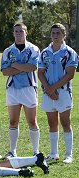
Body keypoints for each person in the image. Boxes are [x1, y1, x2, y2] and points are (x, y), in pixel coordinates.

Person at [38, 23, 78, 164]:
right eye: (53, 33)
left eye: (58, 33)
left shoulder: (69, 52)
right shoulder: (44, 52)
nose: (55, 36)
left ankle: (69, 154)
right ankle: (54, 153)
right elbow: (40, 72)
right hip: (48, 94)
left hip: (63, 93)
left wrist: (52, 88)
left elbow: (70, 74)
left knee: (66, 122)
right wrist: (49, 90)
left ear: (64, 35)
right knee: (52, 123)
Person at [1, 23, 40, 158]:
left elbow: (33, 67)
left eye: (21, 31)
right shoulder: (8, 51)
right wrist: (23, 67)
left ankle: (36, 151)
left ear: (26, 33)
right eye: (16, 31)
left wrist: (15, 65)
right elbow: (5, 72)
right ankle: (13, 151)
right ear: (13, 33)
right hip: (12, 89)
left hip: (29, 88)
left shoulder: (33, 49)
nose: (18, 33)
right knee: (13, 121)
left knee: (32, 121)